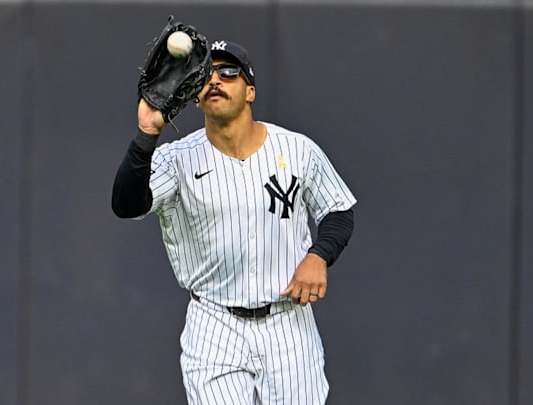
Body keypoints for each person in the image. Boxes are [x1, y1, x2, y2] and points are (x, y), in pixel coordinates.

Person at [112, 40, 356, 404]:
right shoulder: (176, 159)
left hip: (287, 323)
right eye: (205, 75)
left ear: (250, 90)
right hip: (214, 323)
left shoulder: (297, 150)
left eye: (228, 72)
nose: (215, 80)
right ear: (194, 96)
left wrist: (319, 256)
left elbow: (338, 209)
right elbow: (126, 205)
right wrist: (147, 132)